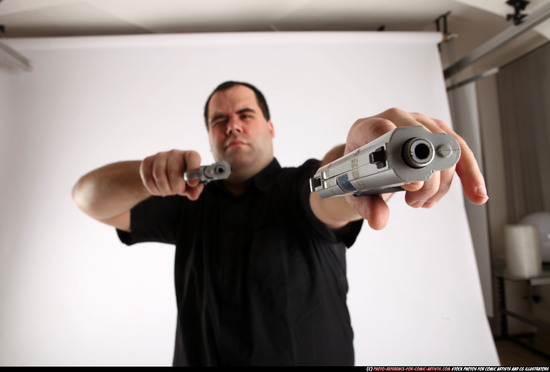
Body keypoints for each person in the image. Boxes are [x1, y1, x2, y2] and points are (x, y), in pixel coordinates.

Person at [72, 81, 489, 366]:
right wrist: (145, 175)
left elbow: (329, 192)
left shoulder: (298, 185)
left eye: (245, 114)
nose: (232, 124)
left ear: (269, 128)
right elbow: (87, 197)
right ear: (210, 136)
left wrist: (356, 157)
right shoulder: (188, 202)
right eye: (219, 120)